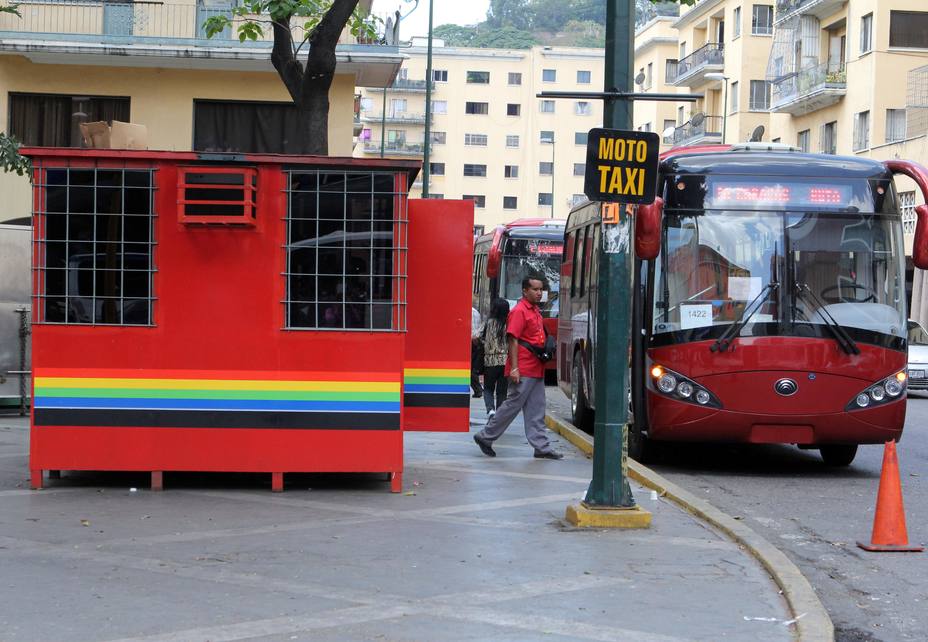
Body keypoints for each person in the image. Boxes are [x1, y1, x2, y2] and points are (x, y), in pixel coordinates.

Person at [473, 278, 563, 460]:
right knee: (512, 405)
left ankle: (541, 446)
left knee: (537, 408)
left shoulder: (535, 311)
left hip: (536, 367)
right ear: (524, 291)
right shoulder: (519, 311)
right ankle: (485, 436)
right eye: (535, 289)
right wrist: (514, 368)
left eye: (541, 289)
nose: (539, 293)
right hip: (523, 367)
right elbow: (513, 340)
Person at [480, 298, 510, 418]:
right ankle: (500, 415)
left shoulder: (488, 322)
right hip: (505, 362)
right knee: (502, 391)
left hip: (490, 362)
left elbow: (478, 336)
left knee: (488, 388)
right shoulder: (510, 323)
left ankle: (490, 409)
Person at [470, 306, 483, 398]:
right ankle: (477, 389)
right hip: (475, 341)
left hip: (470, 342)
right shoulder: (475, 312)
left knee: (470, 368)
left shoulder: (469, 311)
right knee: (472, 367)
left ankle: (477, 389)